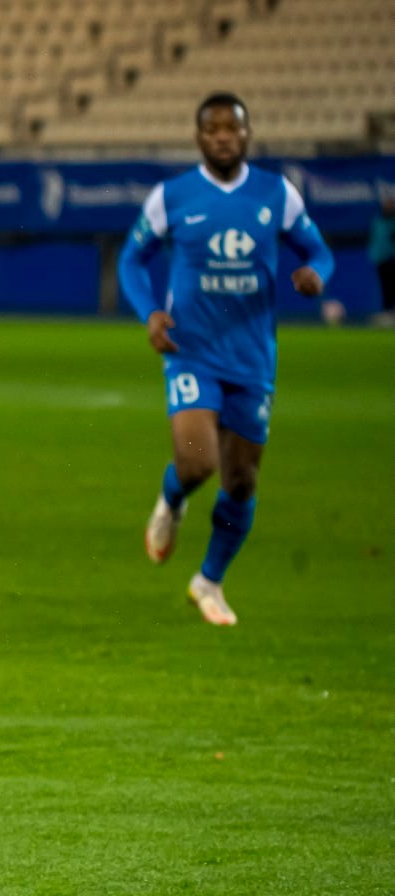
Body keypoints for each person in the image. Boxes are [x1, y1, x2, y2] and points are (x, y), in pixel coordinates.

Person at [119, 93, 333, 625]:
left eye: (231, 128)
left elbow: (319, 250)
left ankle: (208, 582)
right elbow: (132, 259)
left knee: (241, 482)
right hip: (191, 350)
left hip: (253, 357)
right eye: (212, 129)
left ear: (247, 134)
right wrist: (150, 313)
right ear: (198, 137)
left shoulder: (276, 193)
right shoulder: (171, 196)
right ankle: (172, 499)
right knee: (198, 462)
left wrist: (317, 275)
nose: (222, 137)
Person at [368, 194, 395, 327]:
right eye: (386, 204)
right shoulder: (378, 222)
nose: (388, 207)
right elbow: (374, 239)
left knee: (391, 286)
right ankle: (387, 313)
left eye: (391, 205)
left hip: (392, 258)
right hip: (380, 259)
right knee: (385, 286)